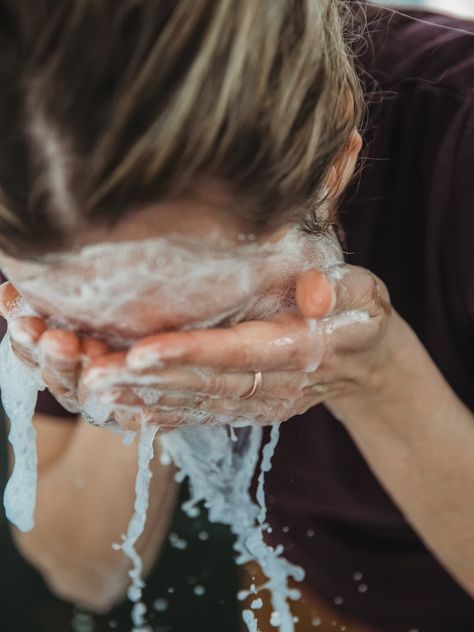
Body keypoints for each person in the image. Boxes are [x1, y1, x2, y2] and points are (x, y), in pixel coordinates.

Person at [0, 1, 472, 631]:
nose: (178, 359)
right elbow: (82, 571)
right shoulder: (36, 175)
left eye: (215, 322)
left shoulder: (458, 140)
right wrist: (130, 394)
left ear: (332, 166)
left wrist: (376, 374)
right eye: (97, 327)